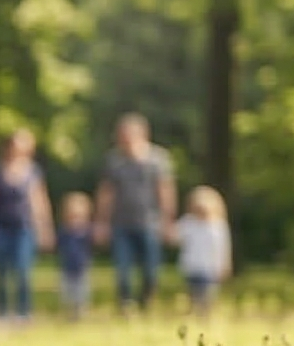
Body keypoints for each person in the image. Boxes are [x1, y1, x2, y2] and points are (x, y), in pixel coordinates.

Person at [95, 113, 176, 310]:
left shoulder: (158, 159)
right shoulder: (114, 161)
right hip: (121, 223)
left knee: (150, 268)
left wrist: (168, 220)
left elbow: (165, 191)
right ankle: (125, 303)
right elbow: (106, 194)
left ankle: (146, 301)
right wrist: (102, 222)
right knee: (122, 268)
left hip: (150, 222)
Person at [0, 129, 53, 321]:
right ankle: (0, 311)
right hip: (0, 227)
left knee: (23, 270)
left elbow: (39, 202)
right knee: (1, 271)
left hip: (25, 228)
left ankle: (23, 311)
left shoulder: (33, 171)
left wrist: (45, 228)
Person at [177, 186, 232, 316]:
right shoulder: (188, 223)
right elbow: (176, 236)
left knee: (208, 294)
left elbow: (223, 247)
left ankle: (205, 314)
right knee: (193, 292)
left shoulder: (218, 225)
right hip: (192, 265)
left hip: (210, 266)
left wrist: (224, 265)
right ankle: (194, 313)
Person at [56, 191, 95, 319]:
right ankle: (70, 312)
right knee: (67, 291)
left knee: (82, 291)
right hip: (67, 267)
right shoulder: (63, 231)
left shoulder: (87, 231)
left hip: (82, 267)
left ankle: (81, 310)